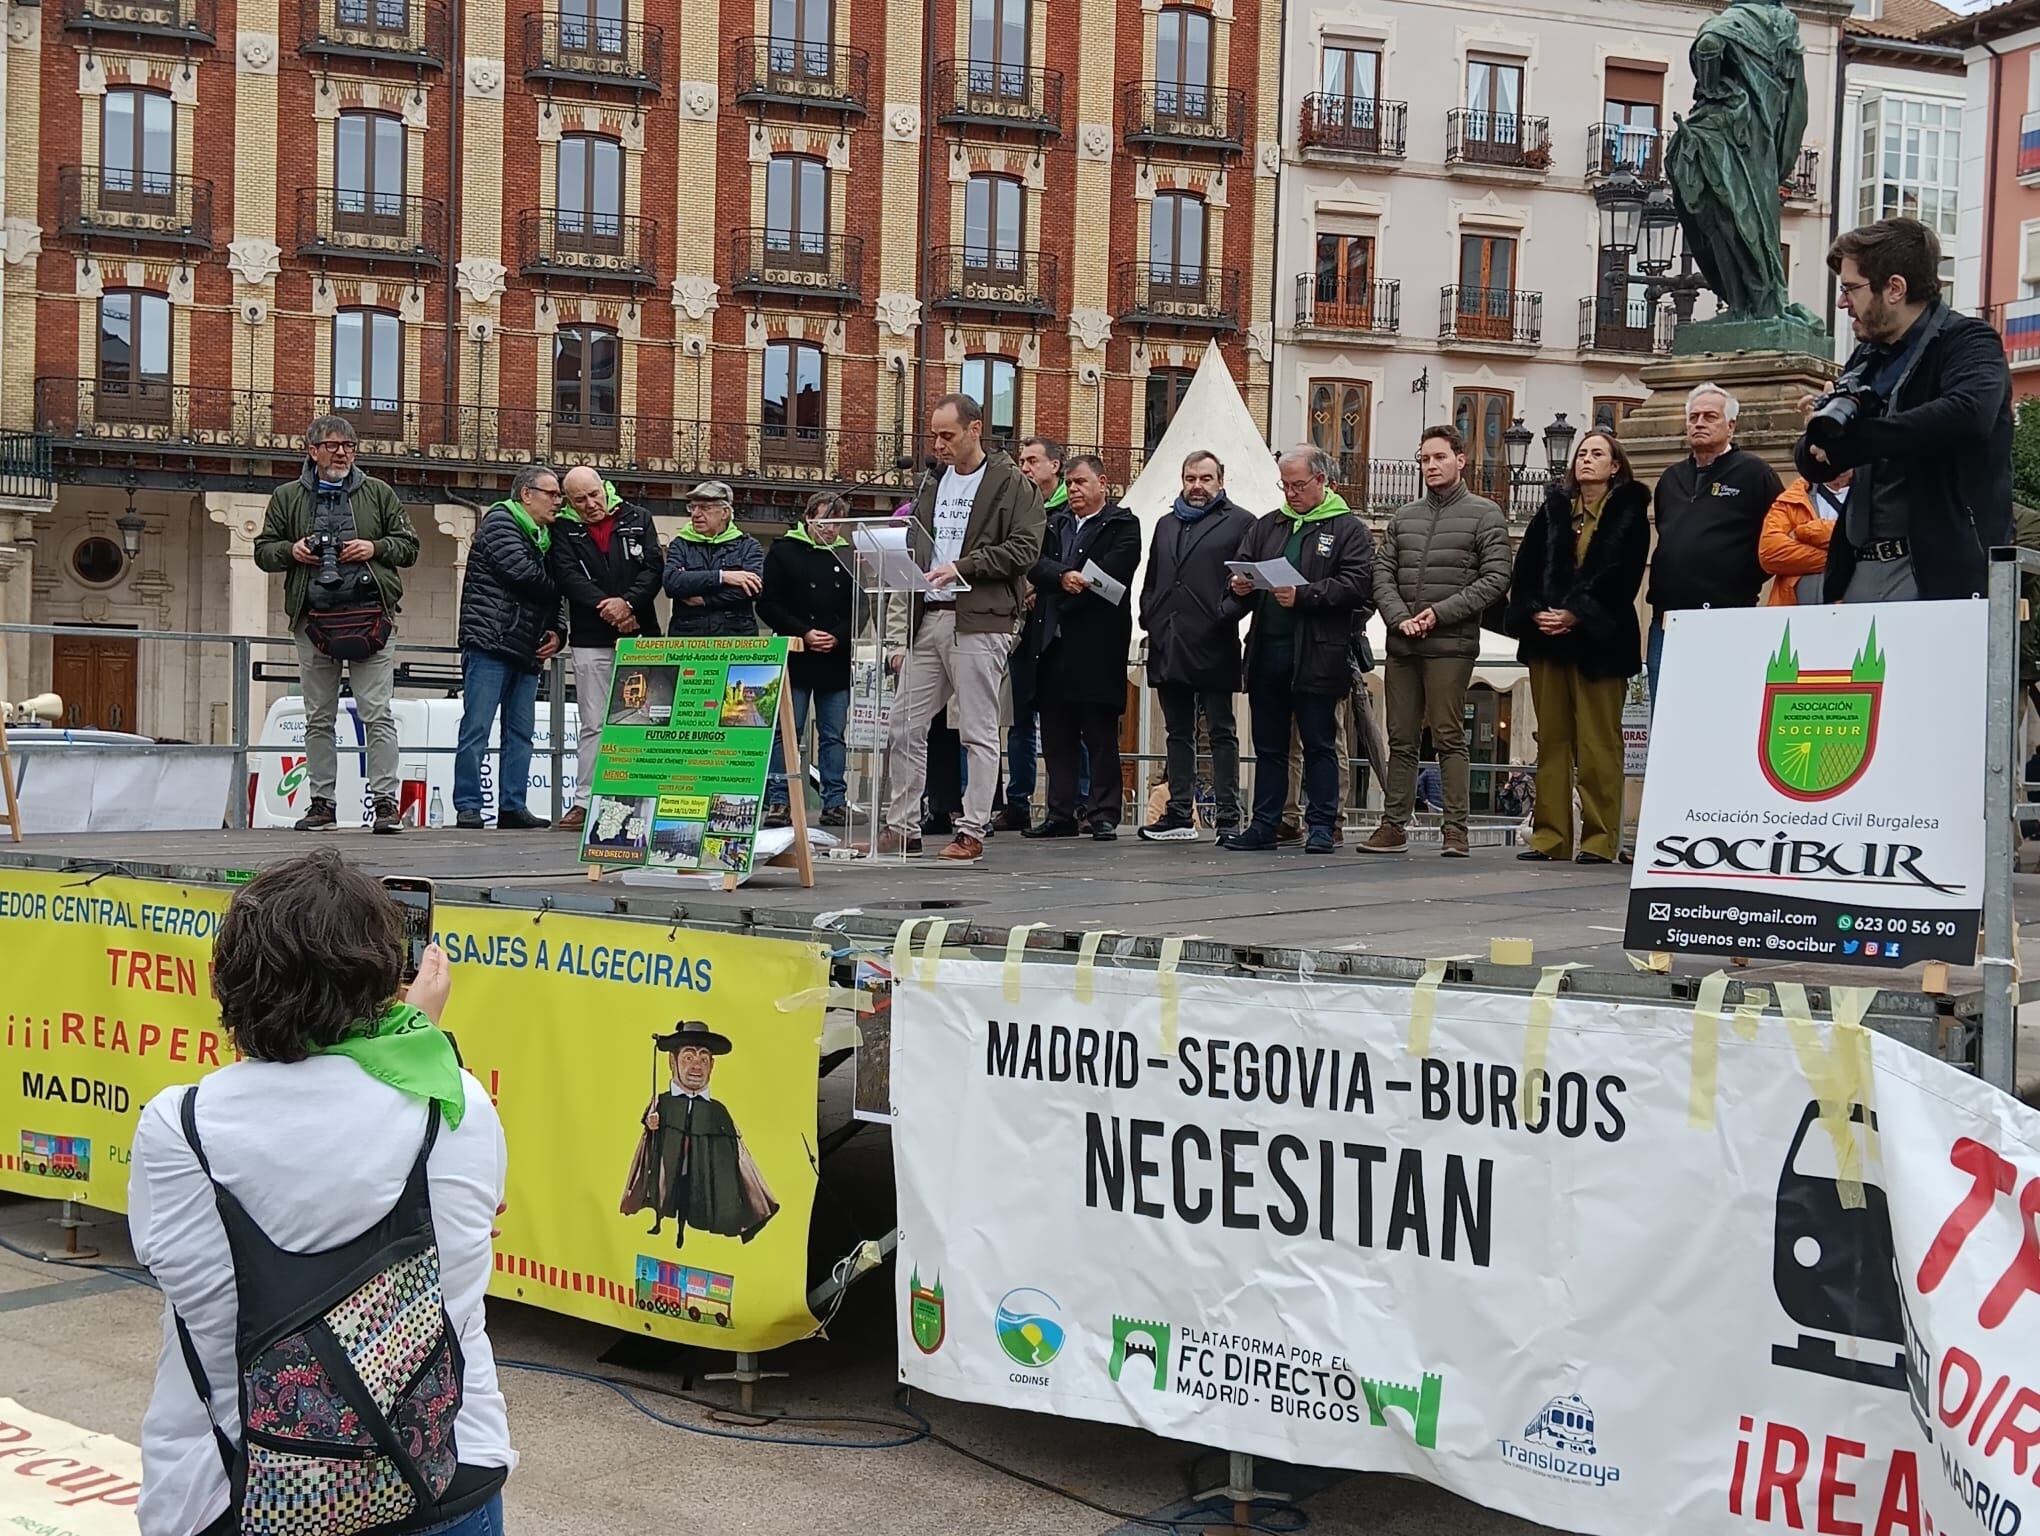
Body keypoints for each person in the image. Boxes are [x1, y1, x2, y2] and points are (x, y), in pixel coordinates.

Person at [130, 849, 512, 1536]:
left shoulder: (178, 1128)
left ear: (224, 981)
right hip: (440, 1484)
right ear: (386, 981)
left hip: (231, 1493)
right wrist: (417, 1031)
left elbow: (178, 1264)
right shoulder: (456, 1105)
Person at [1798, 216, 2014, 602]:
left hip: (1940, 571)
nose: (1842, 302)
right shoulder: (1866, 357)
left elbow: (1967, 416)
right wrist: (1818, 439)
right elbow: (1818, 463)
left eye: (1850, 288)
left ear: (1895, 288)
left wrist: (1856, 441)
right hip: (1860, 567)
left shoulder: (1968, 341)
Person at [878, 393, 1045, 862]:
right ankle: (902, 827)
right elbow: (919, 544)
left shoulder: (1013, 484)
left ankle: (972, 830)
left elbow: (1025, 550)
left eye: (947, 435)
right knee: (903, 725)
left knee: (977, 729)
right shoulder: (933, 482)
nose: (938, 444)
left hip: (980, 619)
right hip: (929, 616)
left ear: (976, 429)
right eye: (934, 435)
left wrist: (964, 566)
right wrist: (888, 556)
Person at [251, 414, 420, 834]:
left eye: (349, 446)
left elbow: (409, 546)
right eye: (332, 445)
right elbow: (263, 551)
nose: (342, 453)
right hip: (313, 620)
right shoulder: (288, 496)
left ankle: (385, 803)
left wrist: (374, 547)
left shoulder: (378, 492)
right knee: (317, 717)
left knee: (377, 713)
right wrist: (292, 550)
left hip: (371, 617)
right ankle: (322, 803)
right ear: (312, 451)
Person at [1361, 423, 1512, 859]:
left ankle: (1456, 829)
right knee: (1400, 737)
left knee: (1449, 735)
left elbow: (1497, 577)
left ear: (1460, 460)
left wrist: (1439, 614)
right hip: (1403, 643)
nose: (1431, 465)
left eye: (1439, 457)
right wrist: (1398, 618)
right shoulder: (1404, 517)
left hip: (1451, 643)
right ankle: (1394, 825)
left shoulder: (1485, 514)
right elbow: (1381, 573)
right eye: (1424, 459)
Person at [1505, 430, 1651, 865]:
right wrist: (1534, 612)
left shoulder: (1628, 513)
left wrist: (1576, 613)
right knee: (1551, 741)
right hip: (1546, 643)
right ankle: (1550, 838)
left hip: (1600, 644)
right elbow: (1525, 569)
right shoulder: (1553, 511)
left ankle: (1600, 840)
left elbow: (1623, 578)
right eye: (1582, 453)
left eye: (1597, 453)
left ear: (1615, 466)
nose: (1586, 459)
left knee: (1598, 743)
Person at [1220, 445, 1374, 855]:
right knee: (1269, 745)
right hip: (1267, 650)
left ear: (1322, 480)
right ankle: (1265, 824)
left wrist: (1305, 595)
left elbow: (1357, 585)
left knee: (1320, 742)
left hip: (1318, 653)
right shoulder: (1268, 525)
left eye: (1298, 485)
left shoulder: (1348, 529)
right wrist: (1239, 586)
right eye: (1284, 485)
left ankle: (1322, 825)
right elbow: (1243, 565)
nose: (1290, 493)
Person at [1023, 455, 1142, 840]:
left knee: (1100, 735)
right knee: (1056, 737)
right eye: (1070, 483)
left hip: (1096, 647)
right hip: (1052, 644)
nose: (1073, 489)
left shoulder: (1123, 524)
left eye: (1081, 482)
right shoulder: (1055, 523)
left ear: (1102, 483)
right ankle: (1061, 812)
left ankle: (1103, 813)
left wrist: (1065, 582)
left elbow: (1114, 572)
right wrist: (1064, 576)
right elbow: (1034, 563)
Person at [1138, 449, 1252, 841]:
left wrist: (1223, 613)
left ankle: (1228, 818)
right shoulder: (1166, 524)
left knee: (1221, 731)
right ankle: (1179, 813)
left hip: (1214, 640)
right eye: (1191, 478)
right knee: (1178, 731)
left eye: (1205, 478)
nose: (1197, 486)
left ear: (1220, 481)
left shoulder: (1240, 522)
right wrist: (1150, 616)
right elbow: (1152, 577)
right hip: (1169, 639)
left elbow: (1248, 583)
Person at [1645, 384, 1781, 707]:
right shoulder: (1670, 479)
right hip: (1667, 622)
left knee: (1723, 707)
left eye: (1709, 417)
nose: (1699, 423)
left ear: (1731, 425)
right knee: (1667, 713)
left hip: (1726, 619)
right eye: (1693, 417)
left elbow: (1778, 536)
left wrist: (1739, 578)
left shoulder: (1754, 473)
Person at [454, 463, 568, 830]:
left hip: (527, 646)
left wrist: (558, 631)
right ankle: (468, 804)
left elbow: (553, 599)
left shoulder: (545, 535)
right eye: (552, 494)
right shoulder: (500, 523)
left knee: (520, 732)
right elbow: (525, 576)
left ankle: (512, 805)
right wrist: (567, 585)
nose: (558, 501)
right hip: (491, 641)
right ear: (526, 495)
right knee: (477, 728)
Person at [551, 469, 663, 833]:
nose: (590, 505)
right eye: (580, 500)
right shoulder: (563, 528)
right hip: (591, 638)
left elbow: (653, 569)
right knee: (594, 722)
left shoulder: (638, 517)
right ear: (569, 502)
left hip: (639, 633)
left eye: (594, 495)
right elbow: (568, 576)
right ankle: (585, 801)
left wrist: (627, 604)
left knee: (640, 719)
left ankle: (638, 799)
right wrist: (609, 608)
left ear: (605, 489)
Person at [621, 1021, 779, 1250]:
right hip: (669, 1167)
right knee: (668, 1196)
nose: (696, 1066)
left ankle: (687, 1232)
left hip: (701, 1173)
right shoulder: (663, 1101)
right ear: (672, 1061)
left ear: (712, 1066)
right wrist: (651, 1122)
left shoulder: (717, 1110)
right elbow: (649, 1125)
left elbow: (734, 1151)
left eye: (703, 1060)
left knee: (693, 1201)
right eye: (688, 1058)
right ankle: (660, 1223)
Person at [757, 490, 854, 828]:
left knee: (833, 733)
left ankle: (835, 801)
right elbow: (768, 604)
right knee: (787, 731)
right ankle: (779, 800)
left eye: (837, 524)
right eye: (825, 521)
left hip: (834, 656)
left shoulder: (848, 555)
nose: (830, 530)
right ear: (809, 517)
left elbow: (861, 606)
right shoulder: (784, 551)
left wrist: (838, 636)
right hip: (796, 653)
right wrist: (803, 632)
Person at [996, 435, 1069, 831]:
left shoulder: (1069, 511)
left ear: (1054, 466)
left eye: (1032, 461)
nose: (1024, 467)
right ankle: (1017, 801)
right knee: (1019, 718)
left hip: (1057, 625)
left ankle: (1074, 801)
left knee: (1065, 717)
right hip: (1020, 626)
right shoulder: (1017, 507)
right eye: (1021, 461)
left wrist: (1041, 584)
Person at [663, 480, 764, 636]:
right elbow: (672, 583)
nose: (695, 514)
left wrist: (705, 600)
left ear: (724, 513)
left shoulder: (748, 546)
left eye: (705, 508)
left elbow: (752, 589)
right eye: (693, 507)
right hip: (689, 637)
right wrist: (723, 577)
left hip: (735, 636)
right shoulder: (680, 544)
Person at [1760, 470, 1851, 606]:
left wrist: (1804, 532)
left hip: (1860, 611)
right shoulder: (1792, 498)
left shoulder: (1872, 495)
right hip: (1794, 611)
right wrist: (1844, 558)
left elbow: (1866, 534)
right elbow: (1770, 553)